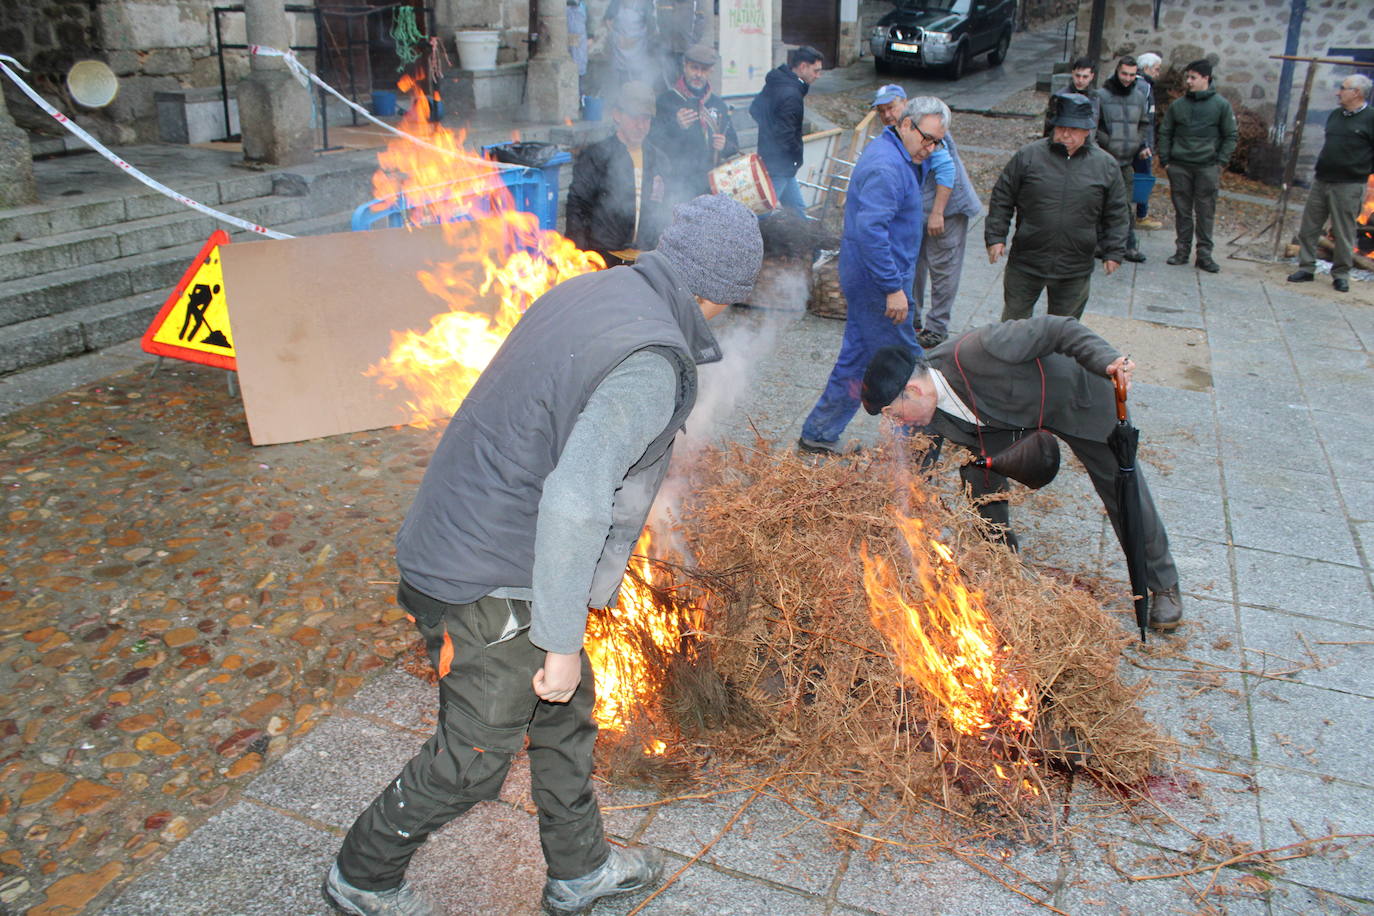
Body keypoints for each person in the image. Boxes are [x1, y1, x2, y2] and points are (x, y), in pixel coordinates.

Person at [322, 194, 763, 916]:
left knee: (563, 713)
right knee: (473, 760)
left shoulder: (592, 289)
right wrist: (558, 639)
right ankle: (361, 875)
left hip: (467, 531)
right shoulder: (652, 359)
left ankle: (581, 870)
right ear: (721, 292)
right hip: (486, 570)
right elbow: (574, 499)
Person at [860, 316, 1183, 630]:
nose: (896, 421)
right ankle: (1001, 559)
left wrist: (1107, 360)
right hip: (1005, 424)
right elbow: (914, 476)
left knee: (1123, 490)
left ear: (914, 391)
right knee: (979, 476)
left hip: (1073, 398)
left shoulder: (979, 350)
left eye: (893, 412)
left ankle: (1163, 584)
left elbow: (1059, 328)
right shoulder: (925, 415)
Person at [797, 96, 947, 456]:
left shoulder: (905, 154)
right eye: (926, 138)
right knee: (908, 364)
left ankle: (819, 432)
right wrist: (893, 288)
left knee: (858, 358)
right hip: (877, 284)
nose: (930, 148)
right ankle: (913, 450)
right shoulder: (887, 166)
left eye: (937, 142)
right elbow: (871, 233)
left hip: (876, 278)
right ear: (905, 124)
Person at [985, 94, 1128, 322]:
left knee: (1064, 332)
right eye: (1061, 127)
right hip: (1027, 259)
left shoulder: (1105, 165)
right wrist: (996, 237)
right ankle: (1013, 358)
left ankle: (1052, 359)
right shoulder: (1029, 156)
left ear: (1087, 131)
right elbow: (1003, 196)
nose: (1065, 135)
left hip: (1075, 265)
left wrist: (1114, 251)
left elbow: (1117, 212)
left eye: (1073, 129)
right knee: (1013, 326)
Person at [1287, 73, 1374, 294]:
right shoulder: (1336, 115)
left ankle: (1341, 274)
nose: (1338, 91)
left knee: (1344, 232)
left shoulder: (1371, 118)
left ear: (1357, 93)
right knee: (1309, 227)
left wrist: (1361, 169)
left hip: (1349, 184)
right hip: (1322, 179)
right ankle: (1306, 267)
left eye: (1343, 88)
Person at [565, 82, 665, 265]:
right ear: (617, 115)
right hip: (605, 256)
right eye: (634, 117)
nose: (640, 125)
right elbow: (577, 207)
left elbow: (666, 211)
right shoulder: (596, 156)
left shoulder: (658, 159)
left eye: (646, 118)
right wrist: (576, 257)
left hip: (644, 258)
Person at [1158, 59, 1237, 274]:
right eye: (1188, 77)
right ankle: (1182, 250)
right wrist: (1165, 160)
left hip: (1207, 166)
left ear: (1206, 79)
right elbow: (1165, 132)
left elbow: (1230, 135)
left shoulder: (1221, 105)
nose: (1189, 81)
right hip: (1180, 166)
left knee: (1205, 211)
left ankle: (1204, 254)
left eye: (1193, 77)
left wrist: (1220, 161)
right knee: (1182, 210)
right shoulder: (1178, 105)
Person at [913, 127, 981, 349]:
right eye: (882, 110)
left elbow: (945, 170)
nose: (887, 115)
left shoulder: (929, 129)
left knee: (943, 267)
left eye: (891, 108)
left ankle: (937, 327)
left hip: (947, 209)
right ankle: (912, 319)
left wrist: (937, 212)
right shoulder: (896, 132)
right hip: (918, 207)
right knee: (913, 262)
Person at [650, 43, 739, 210]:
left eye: (704, 70)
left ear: (711, 71)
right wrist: (675, 125)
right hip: (676, 184)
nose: (698, 74)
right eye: (694, 68)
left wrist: (724, 145)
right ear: (685, 66)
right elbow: (651, 139)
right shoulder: (666, 100)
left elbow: (734, 144)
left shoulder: (718, 104)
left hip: (709, 185)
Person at [750, 45, 824, 212]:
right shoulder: (791, 94)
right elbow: (786, 136)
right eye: (816, 71)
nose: (818, 76)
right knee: (762, 212)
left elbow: (755, 109)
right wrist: (795, 158)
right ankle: (743, 237)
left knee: (797, 209)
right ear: (803, 66)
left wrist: (768, 131)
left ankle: (806, 237)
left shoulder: (778, 81)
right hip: (780, 165)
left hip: (772, 159)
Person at [1096, 55, 1153, 263]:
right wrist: (1108, 142)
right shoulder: (1101, 95)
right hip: (1106, 158)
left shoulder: (1138, 97)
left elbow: (1144, 123)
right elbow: (1095, 125)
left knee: (1126, 205)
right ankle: (1100, 243)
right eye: (1124, 74)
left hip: (1127, 160)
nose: (1127, 78)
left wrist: (1137, 142)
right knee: (1101, 203)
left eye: (1131, 75)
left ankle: (1128, 245)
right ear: (1117, 72)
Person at [1133, 52, 1164, 230]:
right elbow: (1141, 118)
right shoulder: (1143, 87)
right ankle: (1141, 215)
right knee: (1143, 177)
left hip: (1142, 141)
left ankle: (1141, 213)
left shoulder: (1145, 86)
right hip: (1141, 144)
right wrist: (1144, 144)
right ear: (1146, 68)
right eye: (1156, 69)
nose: (1158, 73)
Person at [1043, 56, 1102, 140]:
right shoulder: (1060, 97)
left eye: (1085, 77)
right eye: (1078, 76)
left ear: (1091, 77)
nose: (1080, 80)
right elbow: (1049, 127)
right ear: (1073, 73)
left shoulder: (1095, 98)